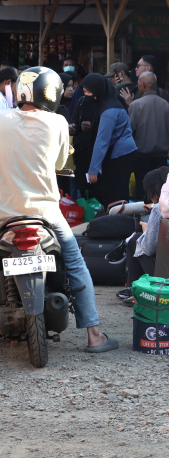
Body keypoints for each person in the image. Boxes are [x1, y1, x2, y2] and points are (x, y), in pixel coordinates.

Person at [0, 68, 117, 352]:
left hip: (5, 214)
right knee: (76, 264)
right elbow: (63, 160)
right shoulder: (58, 122)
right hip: (47, 215)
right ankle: (94, 336)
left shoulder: (2, 119)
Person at [80, 73, 137, 206]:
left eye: (88, 92)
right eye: (84, 92)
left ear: (97, 91)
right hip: (123, 152)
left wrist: (93, 169)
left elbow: (102, 141)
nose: (86, 95)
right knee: (117, 191)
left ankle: (118, 221)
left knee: (115, 194)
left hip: (120, 155)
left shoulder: (109, 111)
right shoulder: (111, 103)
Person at [120, 166, 169, 304]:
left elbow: (149, 248)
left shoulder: (159, 209)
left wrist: (145, 229)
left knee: (134, 241)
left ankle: (135, 289)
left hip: (162, 273)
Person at [128, 71, 169, 199]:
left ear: (142, 86)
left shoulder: (136, 105)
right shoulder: (166, 105)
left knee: (142, 191)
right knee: (159, 191)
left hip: (142, 156)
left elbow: (129, 131)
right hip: (161, 156)